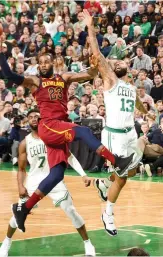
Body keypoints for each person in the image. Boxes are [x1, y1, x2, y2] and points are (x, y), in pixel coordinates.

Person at [0, 22, 134, 232]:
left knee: (57, 174)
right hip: (50, 126)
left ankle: (22, 210)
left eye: (45, 61)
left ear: (53, 62)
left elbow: (91, 75)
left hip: (59, 127)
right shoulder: (35, 82)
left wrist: (94, 64)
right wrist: (1, 53)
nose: (42, 65)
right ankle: (117, 162)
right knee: (84, 131)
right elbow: (10, 76)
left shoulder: (64, 77)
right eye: (39, 62)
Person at [82, 10, 153, 236]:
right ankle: (108, 213)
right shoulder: (110, 79)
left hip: (130, 132)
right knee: (123, 178)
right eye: (114, 61)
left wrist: (146, 112)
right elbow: (96, 52)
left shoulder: (130, 87)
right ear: (111, 68)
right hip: (114, 135)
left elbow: (137, 104)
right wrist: (90, 27)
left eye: (121, 60)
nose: (118, 60)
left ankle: (105, 184)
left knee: (130, 172)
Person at [0, 110, 96, 257]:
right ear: (27, 122)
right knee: (19, 214)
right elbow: (22, 169)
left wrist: (83, 174)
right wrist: (20, 186)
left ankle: (88, 244)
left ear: (42, 119)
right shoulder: (25, 143)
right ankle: (6, 242)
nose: (33, 119)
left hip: (54, 179)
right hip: (34, 181)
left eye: (36, 116)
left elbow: (69, 156)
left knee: (71, 211)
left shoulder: (53, 136)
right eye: (30, 117)